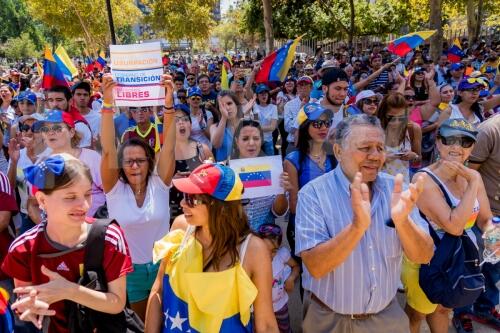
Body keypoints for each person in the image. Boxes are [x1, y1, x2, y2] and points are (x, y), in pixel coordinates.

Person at [295, 114, 434, 333]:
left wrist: (403, 222)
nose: (375, 156)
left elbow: (423, 255)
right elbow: (315, 266)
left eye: (380, 147)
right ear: (339, 151)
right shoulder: (313, 195)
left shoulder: (397, 191)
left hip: (387, 317)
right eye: (365, 148)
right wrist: (356, 227)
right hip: (329, 319)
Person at [1, 154, 133, 332]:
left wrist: (70, 291)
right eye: (70, 197)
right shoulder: (24, 248)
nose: (84, 205)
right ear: (41, 200)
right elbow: (23, 300)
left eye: (88, 194)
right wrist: (29, 306)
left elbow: (117, 303)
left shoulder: (109, 236)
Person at [144, 163, 279, 333]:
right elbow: (159, 290)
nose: (182, 203)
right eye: (185, 195)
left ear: (220, 207)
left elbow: (266, 324)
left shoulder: (253, 250)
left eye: (192, 198)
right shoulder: (180, 228)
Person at [403, 119, 493, 333]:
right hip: (427, 261)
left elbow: (485, 218)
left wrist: (494, 240)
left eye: (465, 142)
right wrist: (472, 184)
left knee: (444, 310)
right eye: (450, 140)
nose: (457, 147)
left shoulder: (473, 176)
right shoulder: (423, 179)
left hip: (459, 259)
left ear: (472, 148)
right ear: (438, 142)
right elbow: (454, 226)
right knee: (417, 313)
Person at [100, 73, 175, 320]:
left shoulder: (160, 183)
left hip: (164, 267)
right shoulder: (114, 189)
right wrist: (107, 103)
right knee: (143, 325)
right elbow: (109, 149)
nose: (134, 166)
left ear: (149, 162)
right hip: (128, 271)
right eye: (128, 161)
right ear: (120, 165)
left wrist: (168, 104)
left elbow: (170, 146)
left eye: (140, 160)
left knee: (169, 323)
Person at [284, 103, 337, 259]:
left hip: (332, 225)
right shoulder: (293, 160)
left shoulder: (335, 156)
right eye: (317, 123)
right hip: (306, 228)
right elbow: (294, 206)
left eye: (327, 123)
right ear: (304, 126)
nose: (323, 128)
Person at [35, 110, 105, 218]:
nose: (50, 132)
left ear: (71, 132)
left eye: (57, 128)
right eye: (45, 129)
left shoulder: (92, 157)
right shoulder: (41, 165)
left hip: (94, 227)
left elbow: (111, 192)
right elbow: (36, 203)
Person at [230, 119, 290, 231]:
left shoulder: (274, 169)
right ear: (237, 141)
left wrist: (282, 191)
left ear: (261, 141)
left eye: (256, 138)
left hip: (265, 239)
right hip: (235, 239)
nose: (251, 143)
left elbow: (278, 213)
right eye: (245, 139)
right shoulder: (227, 172)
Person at [169, 103, 213, 223]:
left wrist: (199, 178)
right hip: (172, 212)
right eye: (176, 120)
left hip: (199, 212)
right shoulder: (164, 154)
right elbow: (155, 187)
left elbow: (215, 181)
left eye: (185, 119)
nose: (181, 123)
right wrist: (172, 182)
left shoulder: (203, 150)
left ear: (190, 124)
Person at [6, 113, 48, 233]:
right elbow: (10, 187)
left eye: (35, 128)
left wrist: (34, 157)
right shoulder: (17, 153)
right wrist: (14, 162)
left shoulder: (53, 152)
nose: (29, 132)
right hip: (27, 215)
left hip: (51, 215)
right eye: (25, 128)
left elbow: (50, 186)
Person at [257, 223, 300, 333]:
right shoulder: (254, 261)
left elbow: (296, 266)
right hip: (260, 311)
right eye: (265, 249)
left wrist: (291, 278)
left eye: (274, 250)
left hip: (280, 307)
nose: (270, 255)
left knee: (285, 329)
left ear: (279, 248)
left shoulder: (282, 255)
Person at [377, 93, 421, 183]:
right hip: (378, 184)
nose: (396, 122)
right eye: (391, 117)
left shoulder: (412, 129)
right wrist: (383, 159)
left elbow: (419, 157)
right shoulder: (375, 129)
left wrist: (413, 156)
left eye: (401, 118)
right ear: (383, 114)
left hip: (402, 185)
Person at [283, 76, 314, 154]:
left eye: (306, 85)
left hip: (313, 145)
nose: (303, 87)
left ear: (311, 88)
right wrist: (301, 112)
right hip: (293, 144)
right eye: (300, 85)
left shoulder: (317, 104)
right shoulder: (289, 105)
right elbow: (288, 128)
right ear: (297, 88)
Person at [210, 90, 242, 162]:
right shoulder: (214, 127)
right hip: (225, 170)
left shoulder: (246, 124)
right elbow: (216, 145)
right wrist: (224, 117)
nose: (227, 108)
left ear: (236, 104)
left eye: (229, 103)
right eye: (223, 105)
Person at [253, 84, 278, 156]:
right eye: (261, 93)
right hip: (256, 140)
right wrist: (267, 127)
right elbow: (256, 125)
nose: (264, 95)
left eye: (265, 93)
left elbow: (273, 127)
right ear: (257, 96)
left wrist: (259, 128)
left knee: (270, 163)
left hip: (268, 140)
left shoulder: (273, 108)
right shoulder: (255, 107)